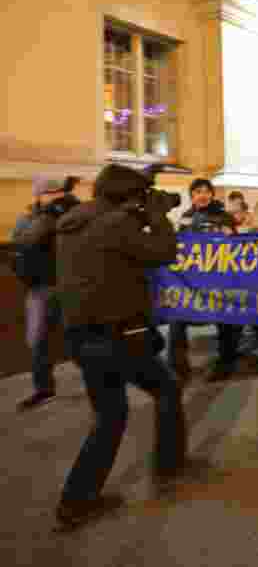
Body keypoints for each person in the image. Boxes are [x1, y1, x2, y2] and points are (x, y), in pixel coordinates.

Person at [53, 164, 186, 530]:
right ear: (126, 198)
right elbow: (163, 251)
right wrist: (158, 216)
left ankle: (75, 500)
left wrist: (138, 192)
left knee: (110, 415)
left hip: (81, 336)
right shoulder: (117, 225)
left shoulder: (74, 220)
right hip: (118, 336)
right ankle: (170, 466)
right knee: (167, 388)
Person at [11, 177, 80, 411]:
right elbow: (22, 242)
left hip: (71, 285)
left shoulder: (74, 215)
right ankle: (44, 389)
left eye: (60, 191)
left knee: (79, 337)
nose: (56, 196)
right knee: (38, 340)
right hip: (40, 288)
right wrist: (47, 219)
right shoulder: (29, 219)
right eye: (51, 192)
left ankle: (100, 384)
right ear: (39, 195)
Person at [169, 179, 248, 381]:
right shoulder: (186, 218)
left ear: (212, 194)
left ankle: (226, 363)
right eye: (197, 192)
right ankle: (178, 367)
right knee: (177, 320)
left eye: (206, 191)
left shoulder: (223, 217)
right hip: (193, 281)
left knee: (226, 321)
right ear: (192, 195)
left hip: (219, 280)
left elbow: (236, 246)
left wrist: (230, 236)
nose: (202, 195)